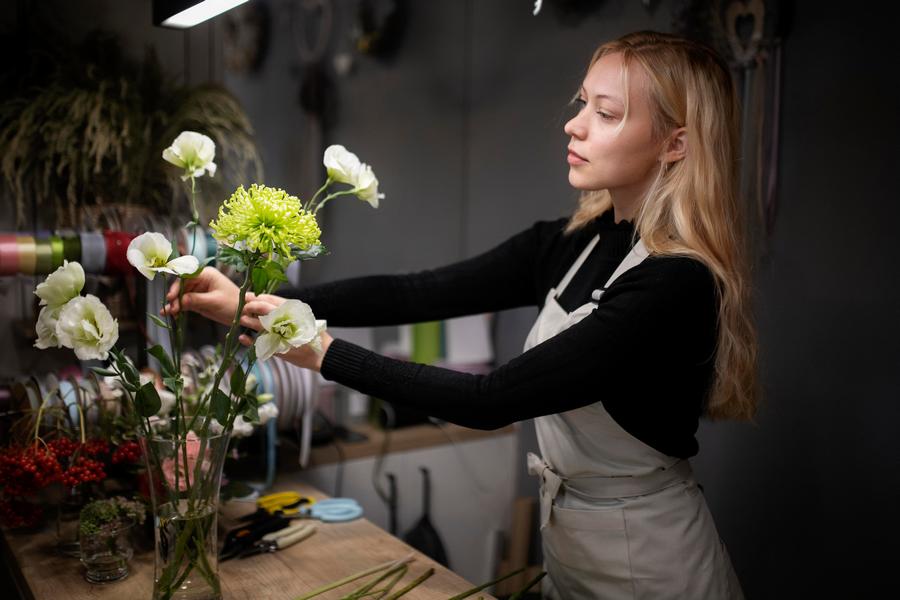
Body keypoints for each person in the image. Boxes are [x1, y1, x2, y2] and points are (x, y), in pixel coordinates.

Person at [166, 30, 756, 599]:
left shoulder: (675, 282)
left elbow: (490, 399)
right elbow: (418, 294)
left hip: (652, 562)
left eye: (607, 113)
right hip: (573, 541)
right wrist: (251, 297)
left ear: (676, 143)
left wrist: (320, 352)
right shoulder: (575, 240)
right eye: (583, 104)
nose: (574, 124)